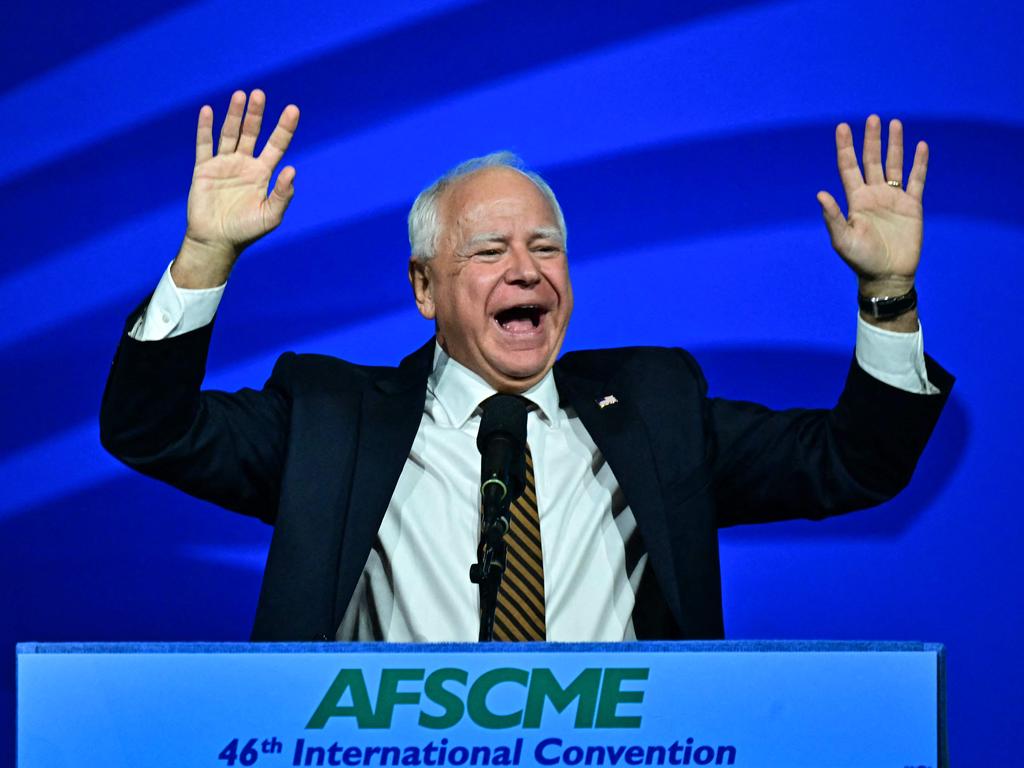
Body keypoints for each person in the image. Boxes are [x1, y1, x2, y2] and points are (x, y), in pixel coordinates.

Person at [100, 89, 953, 642]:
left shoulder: (657, 408)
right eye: (489, 250)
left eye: (545, 247)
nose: (525, 268)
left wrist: (887, 290)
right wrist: (205, 255)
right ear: (424, 288)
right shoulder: (328, 418)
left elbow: (856, 463)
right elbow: (151, 430)